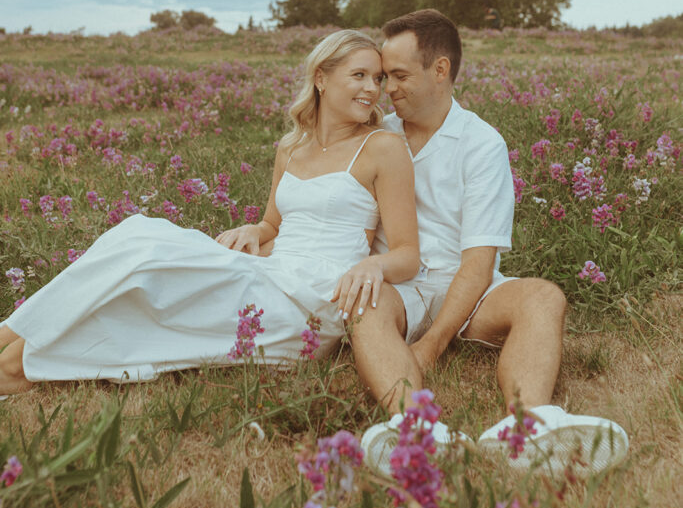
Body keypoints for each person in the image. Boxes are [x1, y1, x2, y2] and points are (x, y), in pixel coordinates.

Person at [0, 31, 419, 394]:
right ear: (321, 79)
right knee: (137, 237)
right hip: (268, 272)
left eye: (378, 78)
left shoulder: (382, 147)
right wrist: (255, 228)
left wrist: (376, 266)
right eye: (359, 75)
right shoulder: (292, 148)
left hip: (312, 299)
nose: (372, 89)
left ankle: (12, 351)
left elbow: (406, 253)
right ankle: (14, 357)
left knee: (148, 258)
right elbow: (274, 223)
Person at [352, 9, 629, 477]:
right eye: (384, 76)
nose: (387, 88)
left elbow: (478, 265)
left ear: (440, 70)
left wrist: (432, 344)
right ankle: (414, 426)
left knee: (543, 296)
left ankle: (528, 427)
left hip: (467, 288)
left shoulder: (481, 143)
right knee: (366, 304)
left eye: (399, 75)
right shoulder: (378, 135)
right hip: (399, 286)